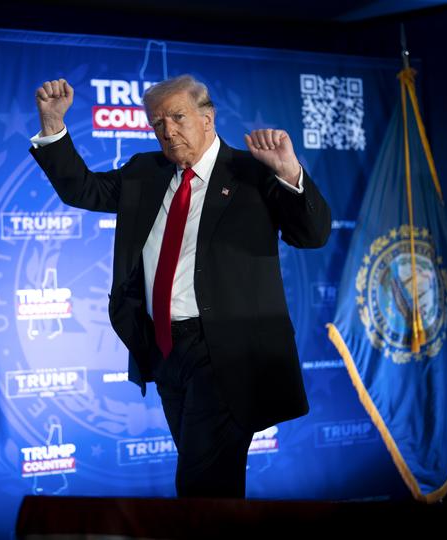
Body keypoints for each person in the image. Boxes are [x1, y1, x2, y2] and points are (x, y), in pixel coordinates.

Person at [29, 75, 331, 498]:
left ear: (208, 119)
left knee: (201, 483)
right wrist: (52, 127)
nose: (167, 131)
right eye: (157, 123)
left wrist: (290, 172)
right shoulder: (145, 172)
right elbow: (83, 190)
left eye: (178, 117)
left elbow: (311, 235)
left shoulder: (252, 172)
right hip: (166, 349)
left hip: (225, 352)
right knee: (211, 481)